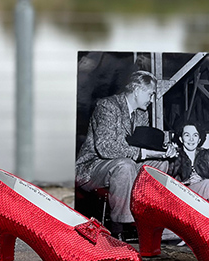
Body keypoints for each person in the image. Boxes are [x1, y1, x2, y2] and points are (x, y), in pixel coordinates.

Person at [76, 70, 177, 236]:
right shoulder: (107, 106)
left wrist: (164, 149)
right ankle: (121, 228)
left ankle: (146, 216)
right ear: (137, 90)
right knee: (125, 165)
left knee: (160, 164)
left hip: (124, 164)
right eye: (150, 94)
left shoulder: (141, 114)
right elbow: (105, 148)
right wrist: (148, 153)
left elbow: (141, 144)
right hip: (93, 167)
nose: (151, 100)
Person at [168, 122, 209, 215]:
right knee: (208, 185)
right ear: (181, 139)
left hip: (207, 200)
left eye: (195, 135)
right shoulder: (174, 157)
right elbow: (166, 184)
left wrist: (203, 181)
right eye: (187, 135)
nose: (191, 139)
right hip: (182, 200)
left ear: (199, 139)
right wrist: (187, 183)